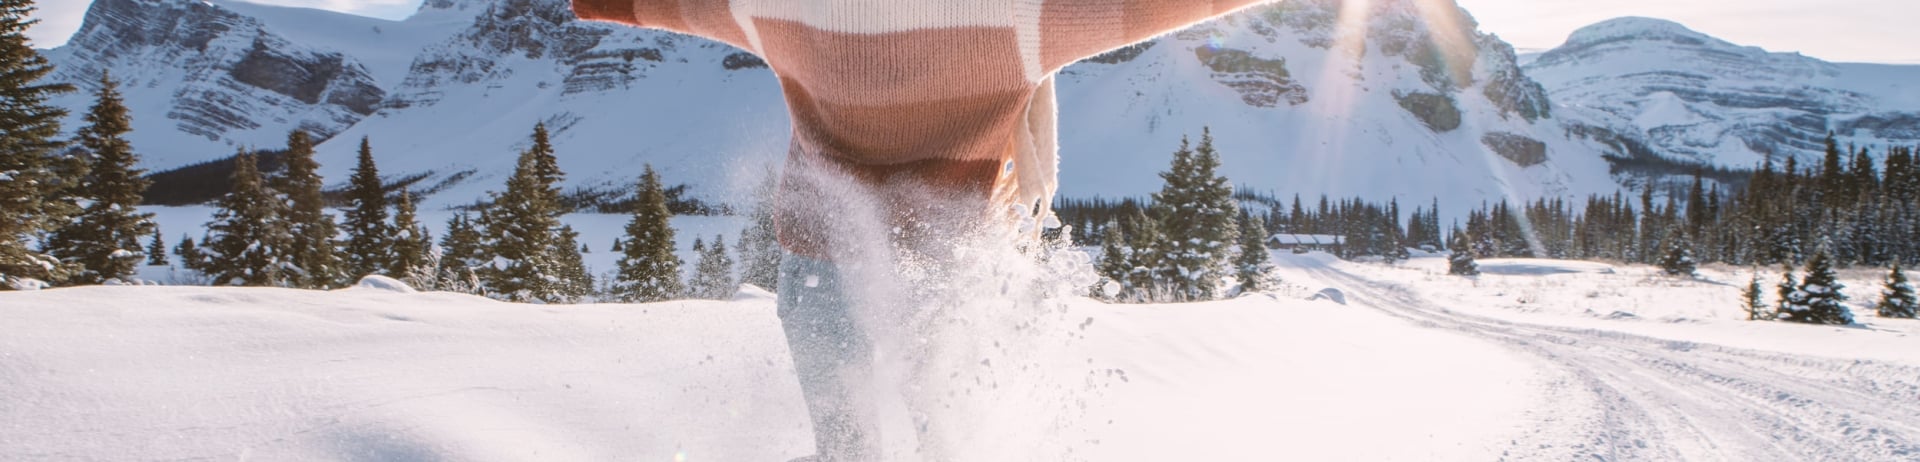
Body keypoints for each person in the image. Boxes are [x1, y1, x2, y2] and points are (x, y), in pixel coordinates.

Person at [571, 1, 1270, 459]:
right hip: (949, 277)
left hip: (819, 271)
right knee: (950, 443)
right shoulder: (1020, 17)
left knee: (845, 449)